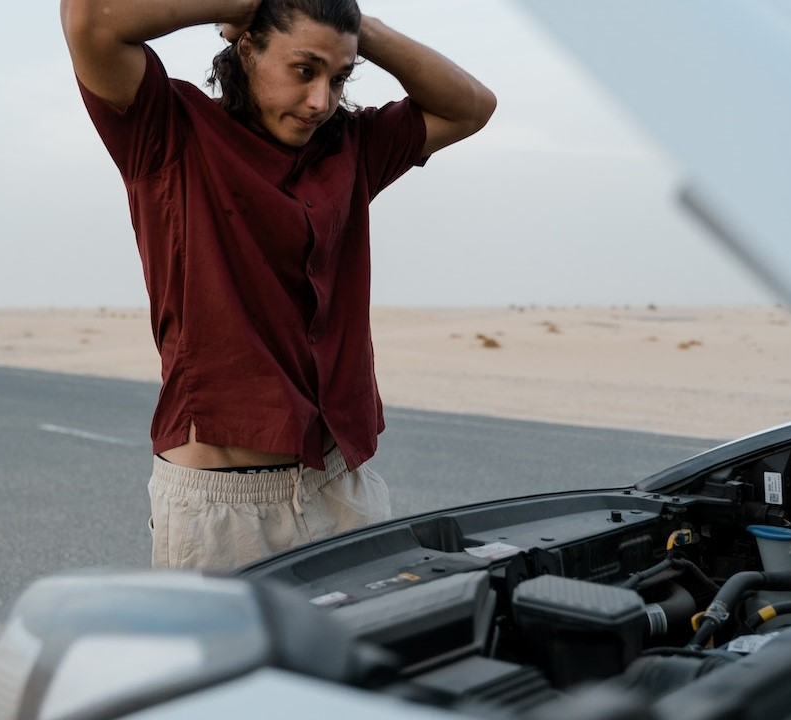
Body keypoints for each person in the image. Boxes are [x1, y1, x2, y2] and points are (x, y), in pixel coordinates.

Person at [60, 0, 495, 570]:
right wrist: (246, 3)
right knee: (232, 665)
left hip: (342, 487)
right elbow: (89, 20)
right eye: (304, 69)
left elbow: (471, 107)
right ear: (246, 48)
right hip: (224, 512)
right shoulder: (167, 134)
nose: (321, 100)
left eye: (340, 77)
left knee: (371, 660)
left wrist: (363, 29)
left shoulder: (352, 147)